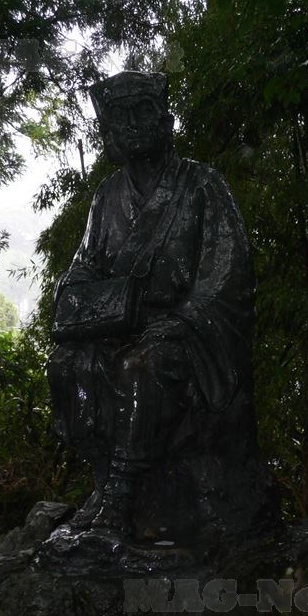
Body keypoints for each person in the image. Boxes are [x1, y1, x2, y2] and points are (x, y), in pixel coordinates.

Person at [47, 70, 256, 541]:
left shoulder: (202, 185)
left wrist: (182, 320)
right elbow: (84, 267)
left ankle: (121, 498)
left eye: (144, 112)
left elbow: (228, 275)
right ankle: (104, 479)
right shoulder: (107, 196)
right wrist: (79, 301)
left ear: (166, 120)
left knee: (144, 365)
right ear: (108, 132)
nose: (133, 125)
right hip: (120, 328)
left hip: (185, 333)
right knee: (66, 365)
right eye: (120, 117)